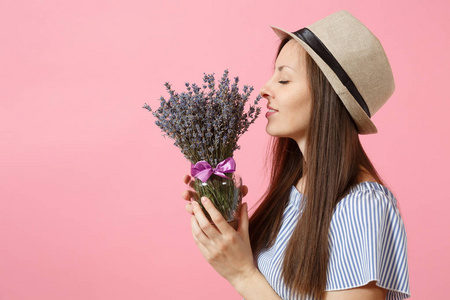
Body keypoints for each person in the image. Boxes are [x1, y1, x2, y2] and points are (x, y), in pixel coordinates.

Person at [181, 10, 411, 300]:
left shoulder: (362, 206)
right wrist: (224, 225)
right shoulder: (296, 189)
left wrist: (241, 274)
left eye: (285, 80)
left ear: (328, 97)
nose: (265, 90)